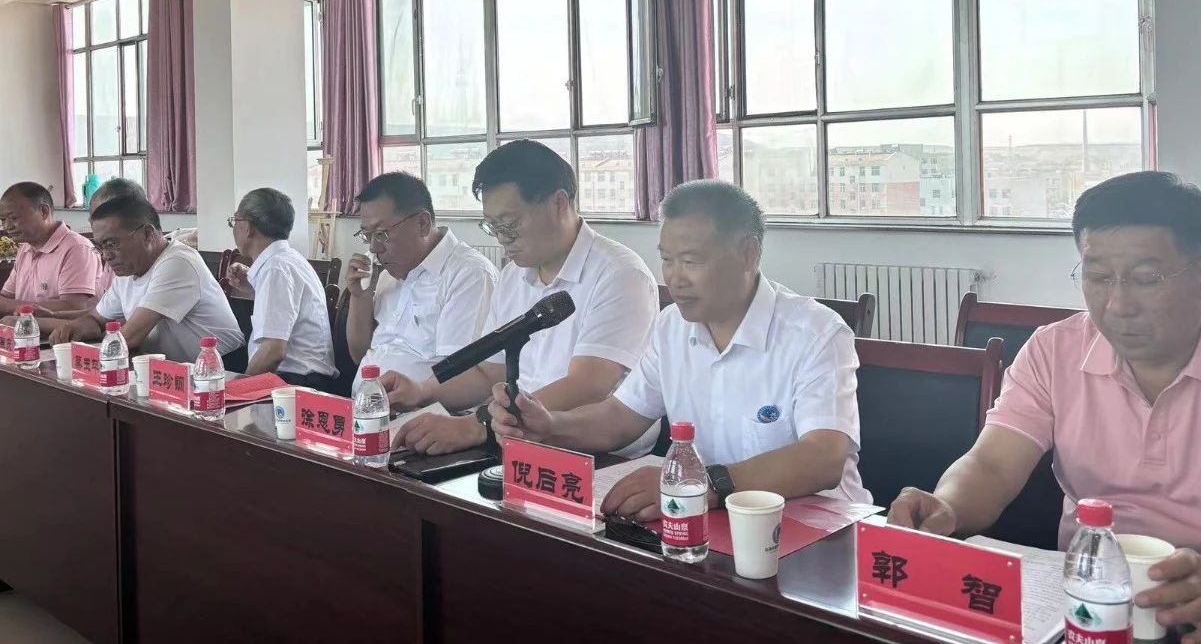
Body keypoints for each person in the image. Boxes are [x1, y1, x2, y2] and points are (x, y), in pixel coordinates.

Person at [887, 172, 1201, 643]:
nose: (1117, 304)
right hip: (1084, 606)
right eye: (1097, 277)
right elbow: (992, 465)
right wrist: (948, 506)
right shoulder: (1054, 350)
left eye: (1146, 279)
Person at [490, 179, 871, 517]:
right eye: (666, 260)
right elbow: (620, 417)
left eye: (690, 261)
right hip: (707, 517)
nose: (674, 278)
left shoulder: (815, 332)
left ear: (748, 254)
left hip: (814, 524)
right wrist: (550, 425)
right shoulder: (672, 325)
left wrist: (701, 483)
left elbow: (823, 458)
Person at [387, 140, 657, 456]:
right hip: (512, 436)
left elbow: (588, 386)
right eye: (493, 226)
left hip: (593, 453)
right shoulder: (514, 275)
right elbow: (490, 372)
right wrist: (421, 391)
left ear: (559, 203)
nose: (503, 238)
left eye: (511, 224)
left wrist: (478, 425)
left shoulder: (620, 274)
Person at [343, 172, 496, 395]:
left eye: (382, 234)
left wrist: (416, 396)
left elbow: (461, 374)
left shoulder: (468, 274)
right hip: (367, 408)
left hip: (427, 412)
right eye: (367, 235)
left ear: (423, 223)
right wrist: (360, 297)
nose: (374, 248)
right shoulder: (387, 273)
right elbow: (359, 355)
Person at [49, 195, 243, 362]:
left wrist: (83, 357)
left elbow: (129, 337)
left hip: (221, 370)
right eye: (100, 247)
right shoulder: (129, 269)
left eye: (111, 244)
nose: (106, 256)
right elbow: (97, 319)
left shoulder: (178, 262)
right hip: (170, 370)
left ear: (148, 234)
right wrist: (73, 329)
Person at [224, 188, 338, 390]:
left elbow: (273, 352)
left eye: (235, 221)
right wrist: (253, 286)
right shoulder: (286, 260)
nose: (233, 228)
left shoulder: (276, 269)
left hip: (297, 383)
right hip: (299, 379)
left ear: (248, 227)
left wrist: (237, 391)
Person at [0, 182, 99, 315]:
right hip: (25, 326)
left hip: (61, 328)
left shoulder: (77, 248)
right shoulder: (25, 249)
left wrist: (13, 307)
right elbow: (5, 297)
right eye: (3, 220)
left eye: (14, 218)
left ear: (44, 212)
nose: (7, 226)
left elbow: (74, 306)